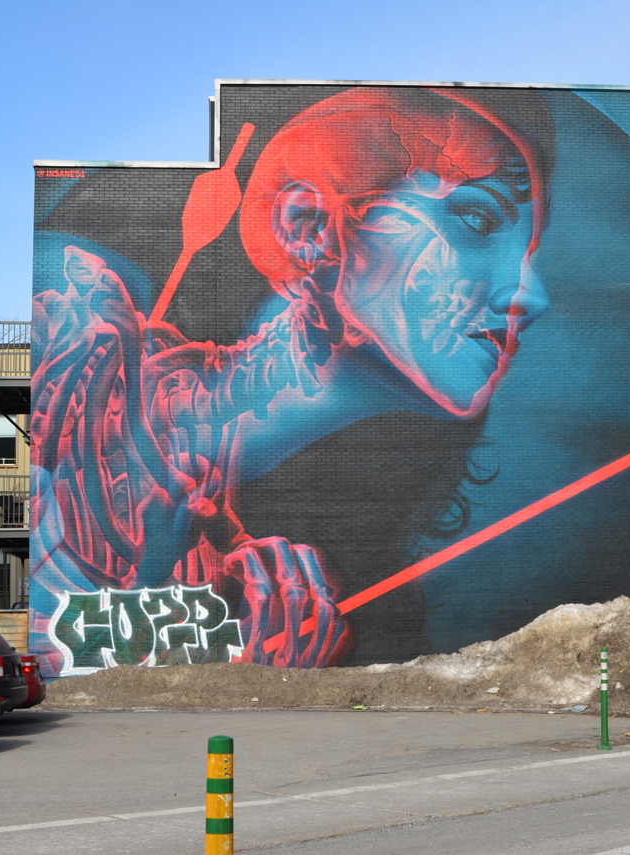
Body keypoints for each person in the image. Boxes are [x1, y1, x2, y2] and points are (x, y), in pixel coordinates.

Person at [29, 87, 555, 673]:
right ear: (307, 227)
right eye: (477, 218)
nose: (531, 296)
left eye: (528, 248)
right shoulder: (76, 360)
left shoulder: (266, 590)